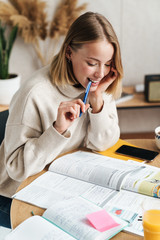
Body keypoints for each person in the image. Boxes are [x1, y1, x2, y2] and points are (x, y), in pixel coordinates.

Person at [0, 11, 123, 228]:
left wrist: (97, 101)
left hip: (62, 186)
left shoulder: (96, 87)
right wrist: (57, 130)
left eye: (107, 63)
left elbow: (103, 143)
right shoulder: (34, 93)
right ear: (69, 52)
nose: (100, 73)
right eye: (93, 63)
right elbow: (16, 169)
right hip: (14, 197)